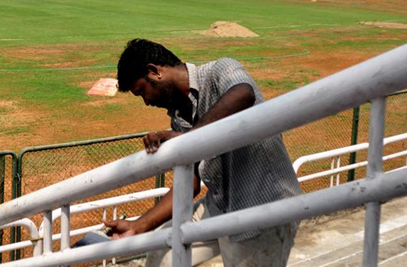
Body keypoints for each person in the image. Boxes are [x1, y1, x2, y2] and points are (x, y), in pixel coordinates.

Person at [105, 39, 301, 266]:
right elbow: (190, 182)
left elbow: (243, 94)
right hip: (221, 205)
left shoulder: (220, 70)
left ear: (154, 71)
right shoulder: (178, 117)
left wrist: (189, 139)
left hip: (264, 206)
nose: (146, 102)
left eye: (141, 92)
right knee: (163, 255)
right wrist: (138, 226)